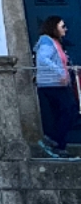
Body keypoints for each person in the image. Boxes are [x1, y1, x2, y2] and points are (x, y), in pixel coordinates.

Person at [34, 16, 75, 158]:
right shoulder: (47, 41)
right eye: (62, 26)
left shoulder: (56, 42)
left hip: (59, 84)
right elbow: (42, 58)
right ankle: (54, 141)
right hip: (52, 85)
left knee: (64, 113)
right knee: (68, 111)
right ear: (54, 27)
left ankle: (59, 144)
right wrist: (60, 72)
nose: (65, 29)